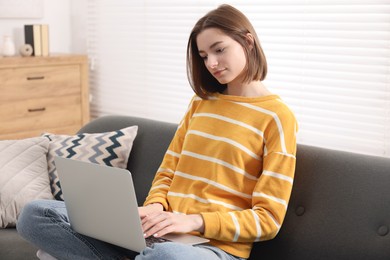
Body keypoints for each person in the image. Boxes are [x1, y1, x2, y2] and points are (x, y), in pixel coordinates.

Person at [17, 4, 298, 260]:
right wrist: (154, 208)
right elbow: (168, 171)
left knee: (167, 257)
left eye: (219, 49)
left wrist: (195, 221)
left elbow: (268, 219)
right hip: (159, 233)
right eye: (203, 56)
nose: (211, 63)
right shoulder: (200, 104)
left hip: (215, 248)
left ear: (247, 41)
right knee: (35, 214)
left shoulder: (277, 118)